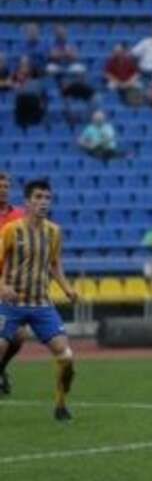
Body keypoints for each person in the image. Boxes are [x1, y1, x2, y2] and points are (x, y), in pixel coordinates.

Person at [0, 179, 78, 421]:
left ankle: (61, 406)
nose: (43, 202)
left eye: (47, 198)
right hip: (11, 305)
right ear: (27, 201)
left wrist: (67, 289)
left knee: (66, 357)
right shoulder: (11, 230)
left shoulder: (54, 232)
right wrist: (2, 286)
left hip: (41, 305)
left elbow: (54, 264)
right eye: (38, 197)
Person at [0, 173, 26, 396]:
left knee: (18, 336)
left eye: (6, 186)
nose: (3, 190)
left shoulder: (20, 216)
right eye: (0, 186)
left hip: (11, 286)